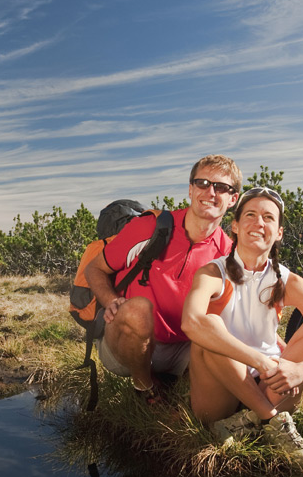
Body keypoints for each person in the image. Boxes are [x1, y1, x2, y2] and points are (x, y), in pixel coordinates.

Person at [180, 185, 303, 461]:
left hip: (269, 386)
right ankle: (274, 423)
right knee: (209, 325)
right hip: (219, 392)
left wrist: (302, 370)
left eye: (269, 218)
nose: (259, 223)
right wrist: (261, 361)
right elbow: (191, 323)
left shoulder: (287, 281)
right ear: (234, 226)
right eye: (250, 215)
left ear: (279, 232)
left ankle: (246, 425)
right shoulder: (213, 273)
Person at [85, 155, 240, 403]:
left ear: (233, 199)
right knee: (137, 309)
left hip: (185, 349)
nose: (210, 192)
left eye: (221, 187)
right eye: (202, 183)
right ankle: (144, 387)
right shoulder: (150, 227)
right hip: (126, 345)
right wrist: (110, 300)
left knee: (222, 334)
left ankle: (182, 392)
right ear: (191, 189)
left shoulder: (229, 255)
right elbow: (95, 269)